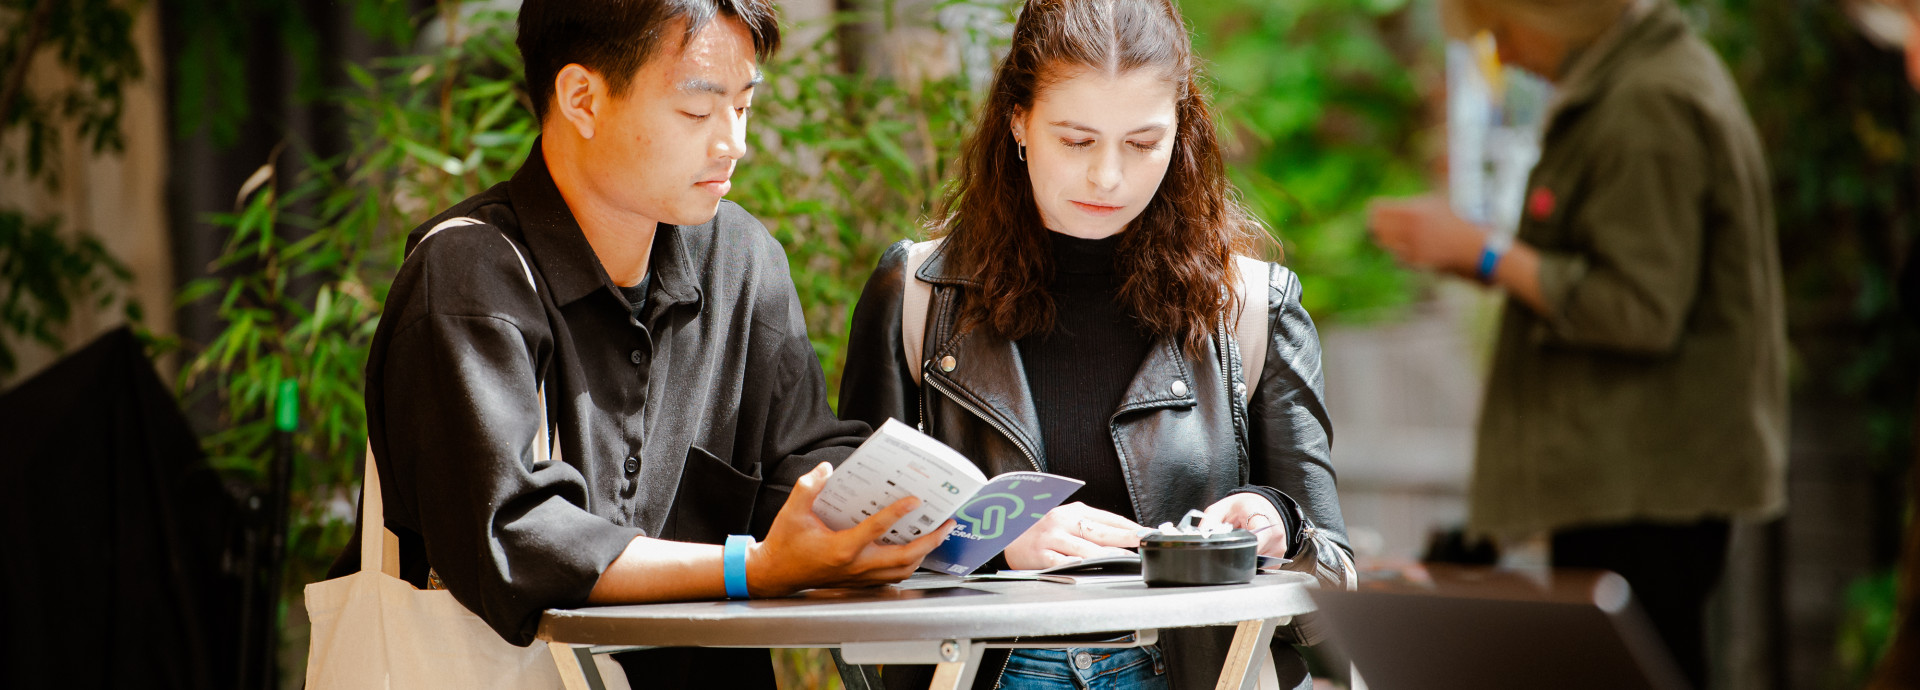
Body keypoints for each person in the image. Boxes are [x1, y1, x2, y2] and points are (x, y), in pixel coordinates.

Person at [324, 1, 954, 687]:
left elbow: (799, 463)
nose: (732, 142)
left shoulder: (742, 259)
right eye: (696, 111)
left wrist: (923, 515)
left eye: (743, 106)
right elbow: (516, 543)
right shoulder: (470, 277)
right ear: (582, 99)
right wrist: (751, 567)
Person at [837, 1, 1354, 688]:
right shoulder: (918, 295)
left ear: (1183, 129)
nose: (1108, 177)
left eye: (1142, 143)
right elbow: (845, 547)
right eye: (1077, 141)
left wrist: (1275, 521)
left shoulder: (1253, 308)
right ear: (1018, 121)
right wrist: (989, 541)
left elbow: (1335, 568)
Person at [1367, 0, 1787, 686]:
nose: (1499, 55)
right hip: (1632, 482)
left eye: (1502, 30)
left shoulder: (1651, 101)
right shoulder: (1635, 81)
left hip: (1647, 485)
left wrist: (1485, 255)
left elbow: (1638, 309)